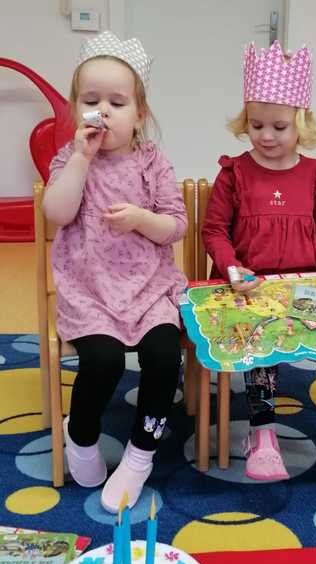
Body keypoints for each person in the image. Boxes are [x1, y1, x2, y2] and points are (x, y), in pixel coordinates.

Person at [201, 41, 316, 489]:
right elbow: (214, 231)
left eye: (279, 126)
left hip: (311, 286)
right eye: (256, 124)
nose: (266, 135)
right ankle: (261, 432)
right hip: (253, 288)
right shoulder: (234, 173)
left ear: (301, 123)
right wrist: (231, 267)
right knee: (259, 344)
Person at [43, 32, 187, 513]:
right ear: (75, 109)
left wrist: (142, 219)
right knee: (103, 361)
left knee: (164, 358)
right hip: (90, 291)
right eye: (91, 101)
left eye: (117, 103)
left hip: (148, 290)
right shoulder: (69, 159)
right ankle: (81, 434)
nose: (103, 112)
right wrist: (80, 161)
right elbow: (57, 212)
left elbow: (176, 225)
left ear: (139, 114)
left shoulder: (152, 161)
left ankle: (140, 454)